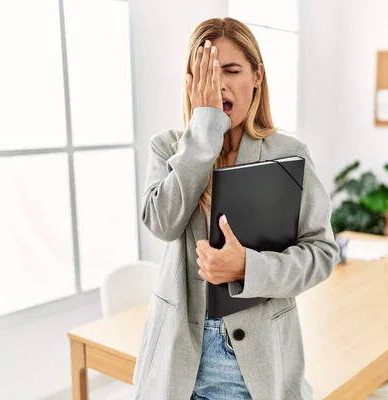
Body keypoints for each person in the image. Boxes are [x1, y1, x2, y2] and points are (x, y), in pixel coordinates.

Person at [133, 17, 339, 400]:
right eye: (206, 74)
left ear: (257, 75)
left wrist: (248, 267)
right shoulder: (168, 148)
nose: (220, 85)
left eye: (231, 70)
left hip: (256, 361)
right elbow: (162, 223)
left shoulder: (288, 155)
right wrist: (204, 130)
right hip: (178, 359)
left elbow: (323, 253)